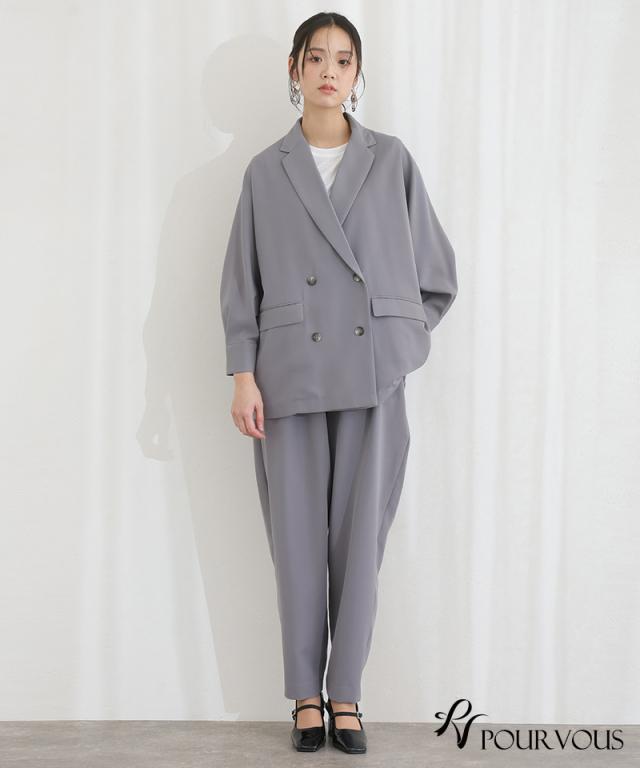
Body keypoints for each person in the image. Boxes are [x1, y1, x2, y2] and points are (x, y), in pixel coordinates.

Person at [219, 11, 457, 754]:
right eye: (316, 57)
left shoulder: (392, 160)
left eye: (343, 59)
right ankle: (304, 695)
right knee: (295, 542)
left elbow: (436, 278)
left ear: (358, 74)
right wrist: (243, 375)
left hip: (371, 379)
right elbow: (241, 285)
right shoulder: (265, 171)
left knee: (360, 545)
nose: (329, 70)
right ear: (294, 69)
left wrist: (397, 344)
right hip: (288, 377)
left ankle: (346, 692)